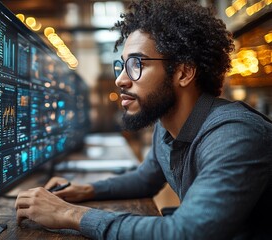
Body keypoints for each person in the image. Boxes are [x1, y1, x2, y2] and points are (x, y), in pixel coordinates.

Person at [15, 0, 272, 239]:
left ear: (183, 72)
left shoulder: (235, 134)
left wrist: (68, 214)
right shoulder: (167, 125)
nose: (121, 80)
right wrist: (84, 190)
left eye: (137, 64)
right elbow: (144, 179)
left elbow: (185, 232)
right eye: (122, 65)